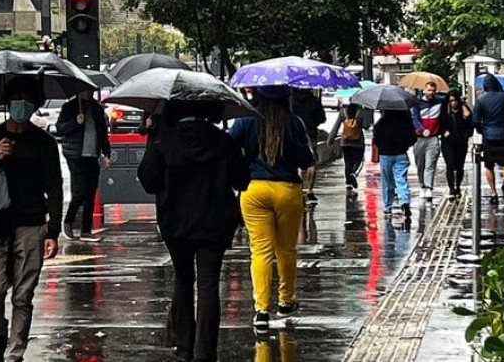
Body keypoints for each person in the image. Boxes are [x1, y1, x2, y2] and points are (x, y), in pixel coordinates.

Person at [137, 101, 250, 362]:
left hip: (175, 223)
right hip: (214, 223)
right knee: (209, 283)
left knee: (183, 279)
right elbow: (242, 179)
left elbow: (148, 180)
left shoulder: (164, 140)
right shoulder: (223, 141)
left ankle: (184, 345)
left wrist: (153, 136)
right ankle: (205, 351)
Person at [0, 76, 62, 362]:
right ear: (7, 103)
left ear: (34, 106)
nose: (22, 105)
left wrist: (53, 231)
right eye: (16, 99)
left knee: (23, 296)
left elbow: (55, 187)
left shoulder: (44, 143)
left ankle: (14, 354)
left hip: (31, 225)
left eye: (28, 100)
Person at [230, 86, 314, 331]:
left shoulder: (246, 119)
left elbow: (230, 148)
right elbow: (305, 160)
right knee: (286, 249)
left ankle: (262, 310)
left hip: (254, 190)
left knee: (260, 251)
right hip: (287, 191)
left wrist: (245, 164)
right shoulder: (294, 122)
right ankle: (286, 301)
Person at [56, 90, 111, 241]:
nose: (89, 93)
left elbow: (102, 133)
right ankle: (68, 220)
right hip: (75, 154)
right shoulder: (70, 107)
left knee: (91, 192)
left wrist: (107, 153)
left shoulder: (97, 109)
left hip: (92, 154)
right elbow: (60, 129)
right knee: (80, 190)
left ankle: (86, 230)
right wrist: (75, 122)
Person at [472, 73, 504, 204]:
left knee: (489, 166)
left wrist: (482, 130)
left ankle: (493, 193)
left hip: (488, 136)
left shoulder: (481, 100)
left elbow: (475, 121)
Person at [372, 109, 418, 217]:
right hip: (401, 153)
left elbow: (377, 139)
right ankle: (404, 201)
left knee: (387, 181)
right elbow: (412, 137)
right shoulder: (405, 123)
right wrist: (404, 145)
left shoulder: (381, 123)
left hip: (385, 155)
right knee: (401, 178)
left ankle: (387, 207)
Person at [411, 82, 448, 199]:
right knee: (420, 164)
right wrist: (422, 129)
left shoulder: (439, 101)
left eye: (433, 90)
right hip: (419, 138)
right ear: (424, 90)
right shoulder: (417, 103)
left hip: (433, 138)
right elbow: (415, 119)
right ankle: (422, 185)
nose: (431, 93)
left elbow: (451, 97)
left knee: (430, 164)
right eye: (429, 90)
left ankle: (428, 187)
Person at [290, 88, 326, 206]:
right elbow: (322, 118)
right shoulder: (314, 101)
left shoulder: (292, 100)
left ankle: (300, 189)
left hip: (295, 134)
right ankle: (310, 190)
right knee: (312, 162)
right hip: (311, 134)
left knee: (297, 163)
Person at [328, 103, 372, 190]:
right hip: (358, 142)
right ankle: (354, 174)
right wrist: (368, 112)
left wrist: (330, 140)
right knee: (358, 161)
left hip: (345, 142)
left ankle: (348, 182)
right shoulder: (362, 112)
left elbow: (335, 127)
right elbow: (366, 126)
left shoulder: (343, 112)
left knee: (348, 162)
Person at [439, 90, 473, 200]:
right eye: (450, 101)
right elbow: (440, 124)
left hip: (461, 143)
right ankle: (451, 188)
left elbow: (470, 126)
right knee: (450, 165)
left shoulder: (464, 111)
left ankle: (458, 186)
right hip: (448, 143)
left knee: (459, 166)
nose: (453, 103)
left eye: (455, 100)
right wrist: (444, 132)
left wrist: (466, 134)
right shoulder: (444, 111)